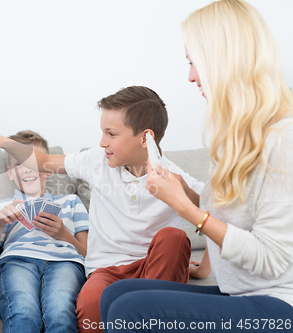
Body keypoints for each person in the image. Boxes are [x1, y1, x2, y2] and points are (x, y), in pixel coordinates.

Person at [100, 1, 293, 332]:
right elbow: (235, 216)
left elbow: (272, 258)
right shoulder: (236, 136)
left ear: (224, 60)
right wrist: (187, 192)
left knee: (131, 310)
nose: (190, 76)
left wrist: (185, 209)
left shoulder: (282, 139)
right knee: (115, 295)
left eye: (194, 62)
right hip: (242, 292)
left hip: (277, 304)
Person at [0, 86, 204, 333]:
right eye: (103, 133)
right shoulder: (96, 162)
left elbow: (221, 215)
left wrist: (184, 193)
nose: (102, 142)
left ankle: (147, 315)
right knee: (91, 306)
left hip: (153, 270)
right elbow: (42, 161)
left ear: (145, 138)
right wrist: (1, 141)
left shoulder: (174, 177)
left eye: (111, 134)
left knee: (173, 238)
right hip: (107, 270)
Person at [0, 130, 89, 333]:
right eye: (20, 164)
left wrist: (63, 234)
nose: (27, 169)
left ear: (47, 168)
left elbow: (88, 255)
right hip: (18, 260)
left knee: (60, 312)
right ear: (10, 172)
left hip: (65, 262)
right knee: (23, 311)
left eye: (33, 163)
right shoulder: (0, 207)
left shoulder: (72, 202)